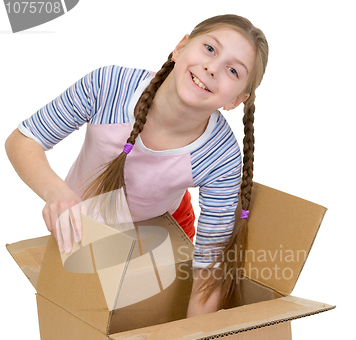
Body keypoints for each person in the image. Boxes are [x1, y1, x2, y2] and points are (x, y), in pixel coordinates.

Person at [5, 14, 268, 317]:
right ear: (180, 47)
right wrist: (56, 193)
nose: (212, 68)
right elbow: (23, 140)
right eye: (210, 49)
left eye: (233, 70)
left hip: (162, 231)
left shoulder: (220, 154)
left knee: (150, 313)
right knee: (84, 311)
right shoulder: (109, 86)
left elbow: (209, 271)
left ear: (236, 100)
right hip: (84, 222)